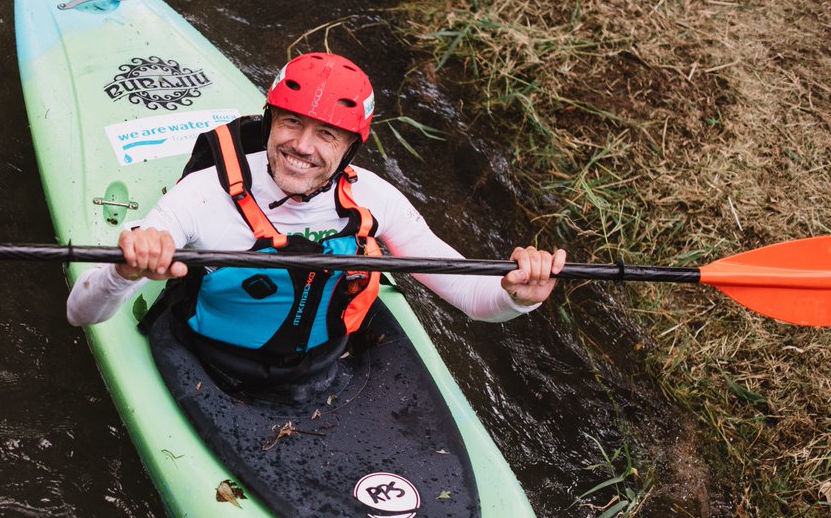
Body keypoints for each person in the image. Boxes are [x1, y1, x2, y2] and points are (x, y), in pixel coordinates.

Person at [67, 52, 565, 386]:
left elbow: (476, 299)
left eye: (327, 134)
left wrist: (517, 298)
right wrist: (126, 270)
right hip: (208, 361)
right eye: (290, 122)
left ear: (351, 147)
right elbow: (81, 314)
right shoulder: (202, 195)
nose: (301, 148)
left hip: (321, 368)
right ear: (269, 121)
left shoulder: (375, 199)